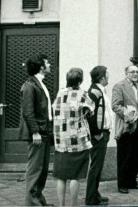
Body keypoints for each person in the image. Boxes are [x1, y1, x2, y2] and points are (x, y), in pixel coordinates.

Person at [52, 68, 94, 206]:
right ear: (80, 80)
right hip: (78, 140)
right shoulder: (83, 94)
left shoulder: (60, 92)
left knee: (61, 176)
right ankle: (73, 205)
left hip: (61, 140)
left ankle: (61, 205)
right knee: (75, 176)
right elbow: (91, 110)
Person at [18, 54, 54, 206]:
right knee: (35, 170)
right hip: (38, 133)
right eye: (47, 63)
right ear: (41, 66)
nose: (50, 65)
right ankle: (32, 203)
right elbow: (27, 112)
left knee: (43, 170)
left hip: (44, 132)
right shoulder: (29, 86)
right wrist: (35, 132)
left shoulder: (39, 84)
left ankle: (38, 199)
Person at [112, 64, 138, 194]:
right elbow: (115, 106)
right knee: (124, 154)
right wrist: (129, 113)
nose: (135, 74)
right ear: (126, 73)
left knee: (135, 154)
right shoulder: (119, 86)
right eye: (132, 72)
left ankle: (131, 182)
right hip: (126, 125)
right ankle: (122, 184)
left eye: (137, 72)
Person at [85, 65, 112, 206]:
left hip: (102, 133)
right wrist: (96, 133)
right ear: (101, 77)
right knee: (96, 167)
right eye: (107, 74)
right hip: (98, 135)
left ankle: (95, 194)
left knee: (98, 166)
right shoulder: (95, 92)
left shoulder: (99, 90)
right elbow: (87, 113)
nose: (109, 76)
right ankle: (91, 199)